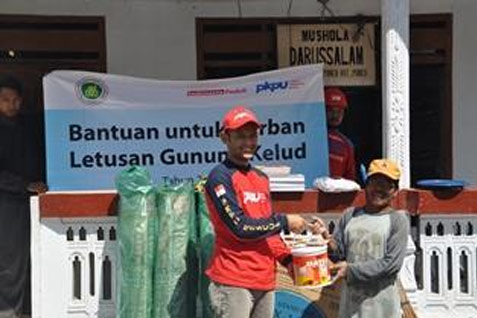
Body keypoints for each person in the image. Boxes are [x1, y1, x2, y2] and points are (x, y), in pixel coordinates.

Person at [204, 106, 318, 318]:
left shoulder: (261, 178)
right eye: (240, 136)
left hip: (265, 279)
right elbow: (240, 227)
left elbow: (269, 231)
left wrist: (288, 261)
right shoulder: (219, 177)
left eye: (253, 136)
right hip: (233, 279)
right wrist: (284, 221)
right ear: (224, 138)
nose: (248, 142)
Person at [316, 158, 409, 318]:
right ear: (366, 186)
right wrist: (326, 238)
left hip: (382, 308)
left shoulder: (398, 220)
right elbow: (339, 254)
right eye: (375, 183)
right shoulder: (350, 215)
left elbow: (391, 265)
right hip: (351, 306)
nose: (379, 189)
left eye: (386, 185)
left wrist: (350, 270)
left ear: (395, 192)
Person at [0, 75, 47, 318]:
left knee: (35, 257)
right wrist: (25, 185)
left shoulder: (29, 126)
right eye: (5, 100)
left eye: (16, 99)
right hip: (7, 206)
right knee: (11, 264)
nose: (11, 105)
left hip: (34, 202)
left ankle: (30, 310)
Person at [325, 87, 356, 181]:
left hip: (335, 194)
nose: (335, 115)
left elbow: (350, 179)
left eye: (339, 111)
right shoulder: (308, 137)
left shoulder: (346, 144)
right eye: (331, 111)